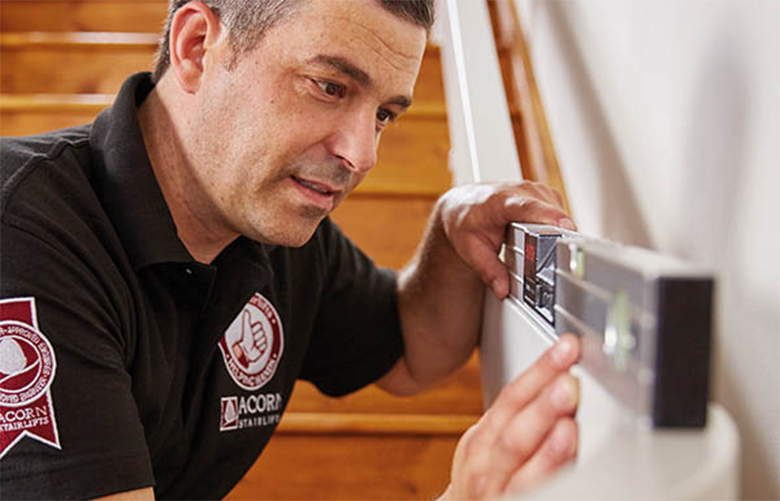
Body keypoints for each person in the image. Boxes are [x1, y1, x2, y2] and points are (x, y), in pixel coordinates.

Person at [0, 0, 581, 499]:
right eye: (329, 87)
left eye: (383, 114)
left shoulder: (265, 222)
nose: (362, 155)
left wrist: (452, 230)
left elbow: (408, 352)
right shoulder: (23, 236)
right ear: (198, 47)